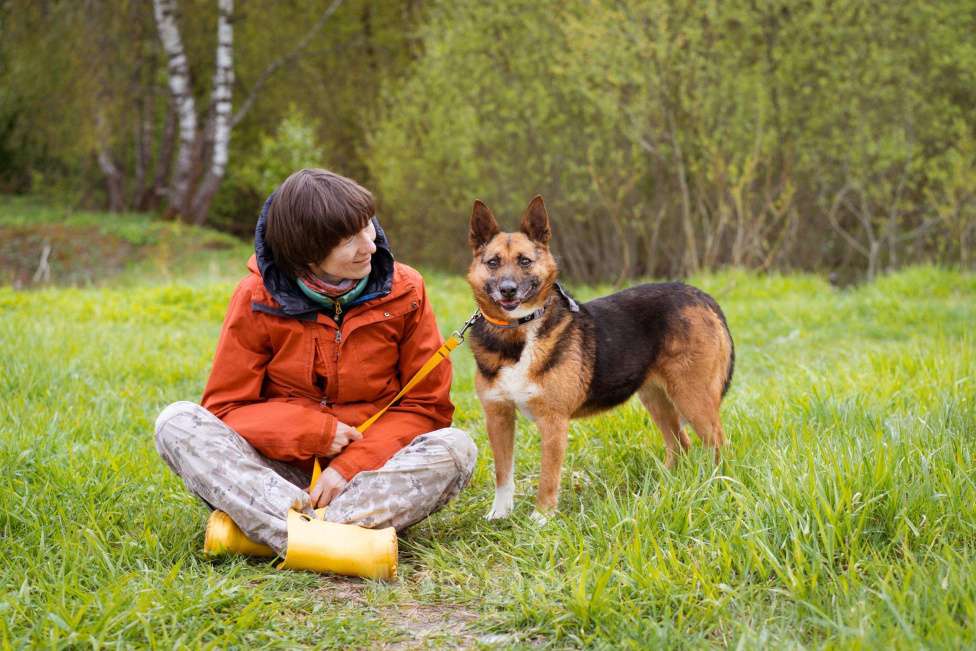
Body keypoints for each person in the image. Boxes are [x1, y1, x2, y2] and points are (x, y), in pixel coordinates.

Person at [154, 169, 477, 563]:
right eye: (349, 240)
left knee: (456, 449)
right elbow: (226, 409)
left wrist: (349, 466)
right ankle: (333, 537)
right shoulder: (255, 296)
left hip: (368, 476)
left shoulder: (407, 288)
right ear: (307, 253)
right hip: (273, 479)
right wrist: (316, 433)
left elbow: (426, 407)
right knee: (175, 422)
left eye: (367, 226)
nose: (370, 245)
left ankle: (270, 532)